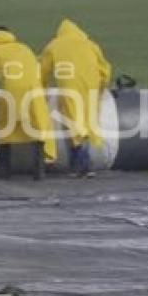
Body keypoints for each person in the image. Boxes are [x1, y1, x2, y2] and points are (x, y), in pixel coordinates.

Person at [0, 26, 55, 180]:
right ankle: (39, 169)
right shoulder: (25, 49)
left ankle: (4, 169)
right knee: (38, 129)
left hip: (11, 92)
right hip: (34, 94)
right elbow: (39, 73)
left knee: (4, 129)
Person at [39, 19, 111, 178]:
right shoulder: (90, 45)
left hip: (70, 88)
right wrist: (102, 87)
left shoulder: (54, 45)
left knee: (76, 127)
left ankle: (83, 166)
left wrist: (42, 92)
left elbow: (43, 72)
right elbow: (105, 69)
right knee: (88, 123)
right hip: (91, 87)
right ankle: (78, 164)